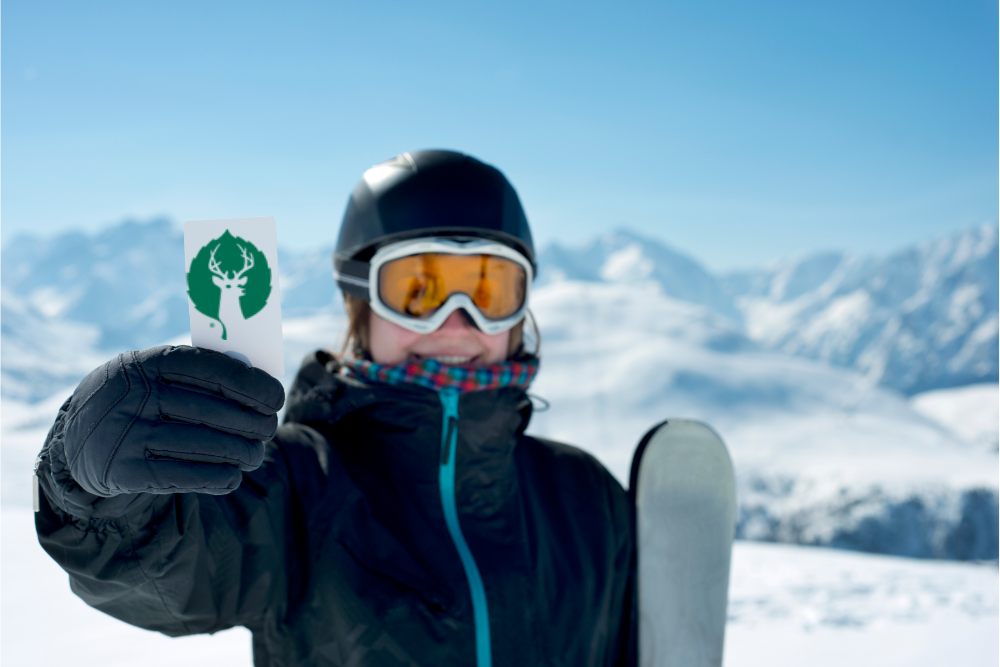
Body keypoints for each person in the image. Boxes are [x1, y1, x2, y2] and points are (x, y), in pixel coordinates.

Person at [34, 150, 635, 666]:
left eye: (487, 289)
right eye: (418, 289)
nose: (458, 320)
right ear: (360, 303)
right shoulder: (290, 485)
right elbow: (160, 571)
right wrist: (90, 488)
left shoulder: (584, 496)